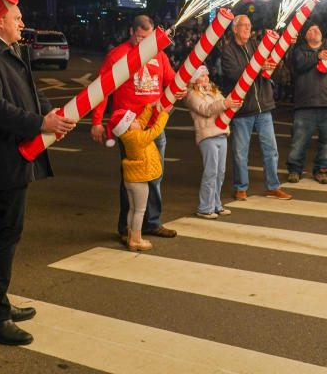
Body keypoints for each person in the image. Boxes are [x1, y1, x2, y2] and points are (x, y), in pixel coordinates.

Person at [0, 0, 76, 347]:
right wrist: (41, 123)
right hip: (5, 157)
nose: (22, 22)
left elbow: (30, 90)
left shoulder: (8, 49)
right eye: (16, 17)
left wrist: (52, 113)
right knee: (4, 236)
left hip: (18, 154)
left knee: (4, 234)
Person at [88, 15, 179, 242]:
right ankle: (126, 228)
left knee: (155, 175)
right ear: (131, 31)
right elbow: (102, 90)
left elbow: (171, 79)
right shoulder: (118, 55)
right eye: (139, 37)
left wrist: (182, 86)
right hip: (129, 128)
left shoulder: (158, 53)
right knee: (133, 177)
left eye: (147, 39)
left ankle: (151, 222)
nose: (143, 43)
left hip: (154, 124)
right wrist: (97, 122)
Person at [216, 14, 292, 200]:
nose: (248, 29)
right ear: (234, 29)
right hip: (243, 109)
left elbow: (270, 64)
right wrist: (258, 67)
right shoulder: (228, 51)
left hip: (264, 106)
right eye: (244, 25)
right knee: (240, 152)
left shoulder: (256, 45)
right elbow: (234, 75)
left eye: (249, 25)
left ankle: (272, 186)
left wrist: (284, 48)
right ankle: (241, 187)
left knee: (271, 150)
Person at [286, 24, 327, 184]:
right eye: (309, 30)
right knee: (299, 140)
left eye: (316, 29)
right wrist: (317, 57)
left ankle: (322, 170)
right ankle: (295, 169)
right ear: (305, 36)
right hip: (306, 103)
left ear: (322, 34)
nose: (312, 31)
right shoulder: (300, 50)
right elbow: (298, 64)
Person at [109, 102, 171, 251]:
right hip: (140, 179)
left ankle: (131, 235)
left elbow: (142, 122)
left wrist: (149, 108)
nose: (137, 121)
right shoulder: (138, 138)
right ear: (129, 126)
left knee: (132, 209)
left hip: (131, 179)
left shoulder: (129, 136)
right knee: (140, 210)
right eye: (133, 121)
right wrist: (164, 114)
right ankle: (136, 240)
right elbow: (155, 131)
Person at [181, 65, 237, 218]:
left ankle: (216, 205)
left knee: (220, 172)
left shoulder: (213, 91)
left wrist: (232, 104)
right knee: (211, 172)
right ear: (194, 79)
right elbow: (206, 110)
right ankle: (205, 207)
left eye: (207, 75)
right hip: (207, 135)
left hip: (221, 132)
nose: (206, 78)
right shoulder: (192, 95)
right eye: (202, 76)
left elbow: (223, 105)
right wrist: (226, 104)